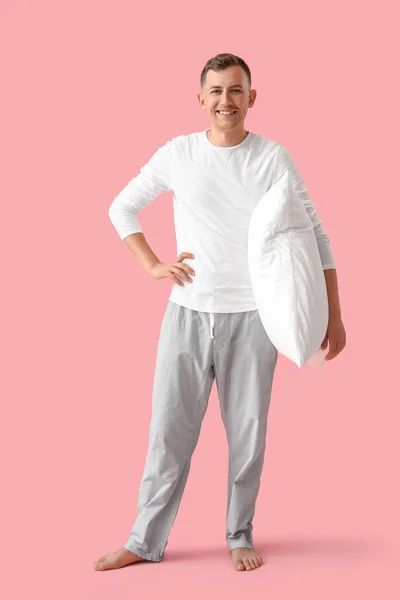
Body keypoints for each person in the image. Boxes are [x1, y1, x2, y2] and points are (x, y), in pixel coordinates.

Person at [94, 53, 346, 573]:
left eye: (235, 91)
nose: (225, 101)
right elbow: (122, 206)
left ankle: (239, 534)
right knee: (168, 431)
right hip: (187, 313)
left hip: (254, 316)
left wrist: (334, 316)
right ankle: (144, 540)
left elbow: (316, 235)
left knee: (248, 435)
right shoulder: (179, 153)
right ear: (201, 98)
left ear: (251, 98)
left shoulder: (272, 158)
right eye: (216, 91)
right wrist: (152, 264)